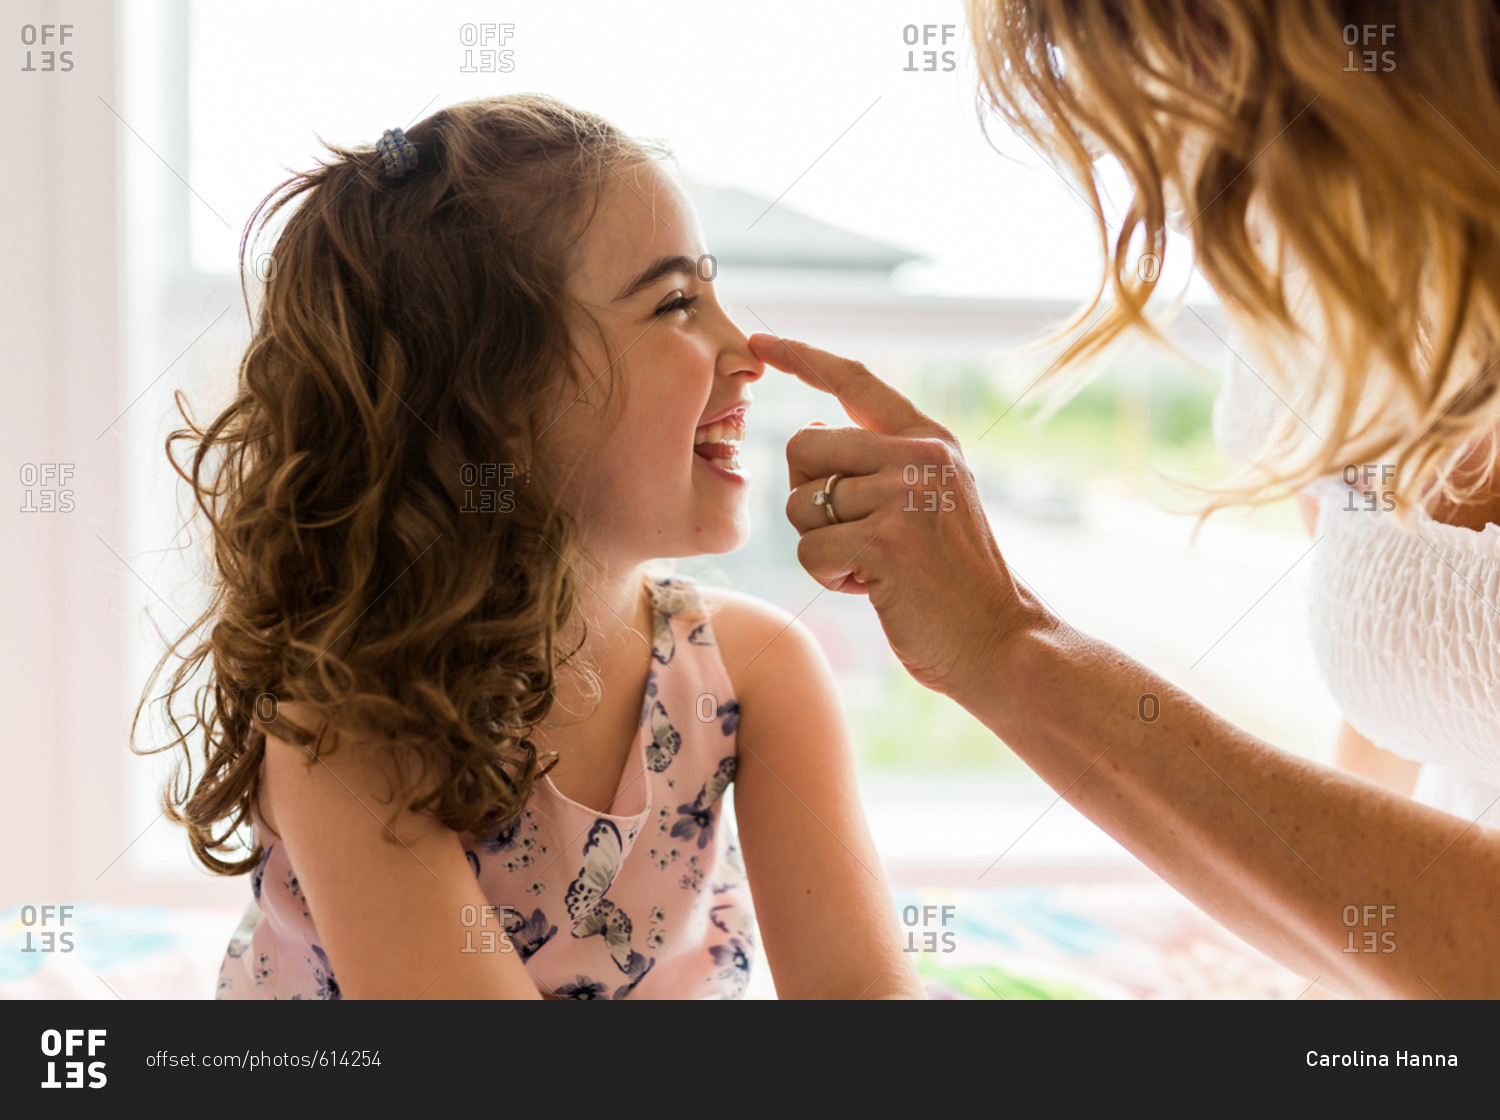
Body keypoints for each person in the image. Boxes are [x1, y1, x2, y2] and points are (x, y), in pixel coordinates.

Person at [759, 0, 1500, 998]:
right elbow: (1402, 725)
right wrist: (1324, 976)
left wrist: (1010, 647)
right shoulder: (1323, 279)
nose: (1178, 165)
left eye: (1198, 73)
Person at [138, 95, 921, 1000]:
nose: (745, 350)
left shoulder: (756, 676)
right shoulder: (347, 727)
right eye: (675, 303)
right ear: (494, 402)